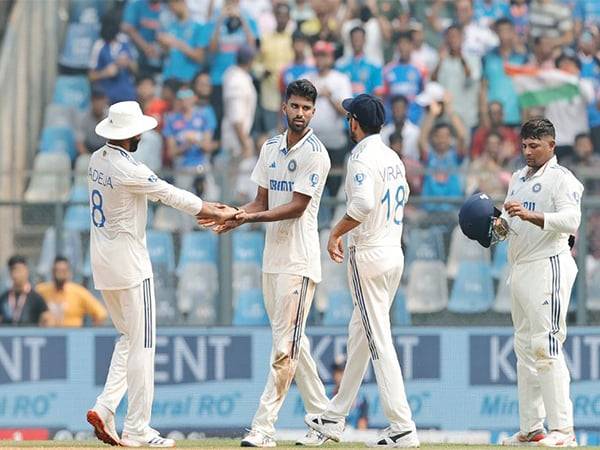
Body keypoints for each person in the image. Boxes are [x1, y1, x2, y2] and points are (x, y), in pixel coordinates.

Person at [85, 101, 238, 448]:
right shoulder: (130, 169)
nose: (142, 133)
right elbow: (168, 193)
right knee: (144, 347)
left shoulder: (97, 160)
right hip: (131, 265)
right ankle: (137, 429)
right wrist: (209, 208)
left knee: (128, 339)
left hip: (103, 264)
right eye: (138, 130)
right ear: (130, 135)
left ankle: (106, 406)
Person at [204, 79, 332, 448]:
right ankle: (326, 418)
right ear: (284, 107)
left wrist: (248, 220)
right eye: (295, 106)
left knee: (283, 348)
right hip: (271, 260)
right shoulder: (270, 147)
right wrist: (235, 214)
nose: (300, 113)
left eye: (307, 109)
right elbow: (261, 200)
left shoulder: (316, 154)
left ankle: (263, 429)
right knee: (293, 343)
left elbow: (297, 207)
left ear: (313, 112)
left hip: (299, 260)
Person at [306, 94, 419, 448]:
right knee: (361, 335)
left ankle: (402, 425)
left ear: (354, 122)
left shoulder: (360, 157)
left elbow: (363, 203)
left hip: (368, 254)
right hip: (392, 252)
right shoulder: (392, 156)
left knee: (377, 339)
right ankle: (335, 417)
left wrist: (335, 232)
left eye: (349, 117)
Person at [494, 118, 583, 448]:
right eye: (525, 146)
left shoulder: (563, 179)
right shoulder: (517, 178)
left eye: (535, 146)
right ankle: (531, 429)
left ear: (551, 145)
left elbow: (572, 220)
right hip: (519, 267)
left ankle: (564, 430)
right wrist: (493, 226)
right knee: (524, 349)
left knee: (546, 346)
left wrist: (530, 216)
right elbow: (506, 223)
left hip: (549, 265)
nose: (528, 151)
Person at [36, 256, 107, 327]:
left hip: (73, 335)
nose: (60, 275)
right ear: (52, 272)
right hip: (49, 335)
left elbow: (101, 313)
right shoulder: (41, 291)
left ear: (69, 273)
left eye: (63, 271)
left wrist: (91, 333)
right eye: (57, 271)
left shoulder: (78, 292)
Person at [89, 15, 138, 105]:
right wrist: (105, 73)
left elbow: (136, 69)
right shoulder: (99, 45)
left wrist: (128, 63)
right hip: (107, 99)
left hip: (127, 97)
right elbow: (91, 76)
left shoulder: (125, 41)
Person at [157, 0, 208, 83]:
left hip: (187, 79)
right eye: (170, 4)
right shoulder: (170, 25)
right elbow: (167, 53)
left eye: (174, 3)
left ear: (183, 2)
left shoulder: (199, 27)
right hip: (169, 77)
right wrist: (163, 45)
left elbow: (200, 57)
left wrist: (175, 42)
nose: (172, 7)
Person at [0, 256, 51, 326]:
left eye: (19, 270)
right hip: (8, 336)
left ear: (26, 271)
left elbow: (47, 320)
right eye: (13, 270)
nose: (16, 274)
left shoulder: (36, 298)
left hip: (30, 336)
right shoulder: (4, 298)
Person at [336, 26, 383, 97]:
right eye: (354, 38)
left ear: (365, 40)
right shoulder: (340, 65)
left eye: (359, 38)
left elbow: (378, 92)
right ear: (350, 40)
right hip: (346, 106)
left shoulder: (374, 64)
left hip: (367, 106)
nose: (357, 41)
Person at [121, 0, 165, 76]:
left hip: (160, 56)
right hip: (139, 55)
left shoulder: (166, 7)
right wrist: (145, 47)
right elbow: (127, 27)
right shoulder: (136, 4)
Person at [76, 89, 109, 156]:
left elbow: (115, 141)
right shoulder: (83, 117)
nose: (98, 103)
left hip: (106, 149)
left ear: (105, 100)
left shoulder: (110, 116)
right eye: (96, 100)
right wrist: (89, 157)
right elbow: (79, 143)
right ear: (91, 101)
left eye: (101, 100)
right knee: (83, 161)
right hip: (89, 149)